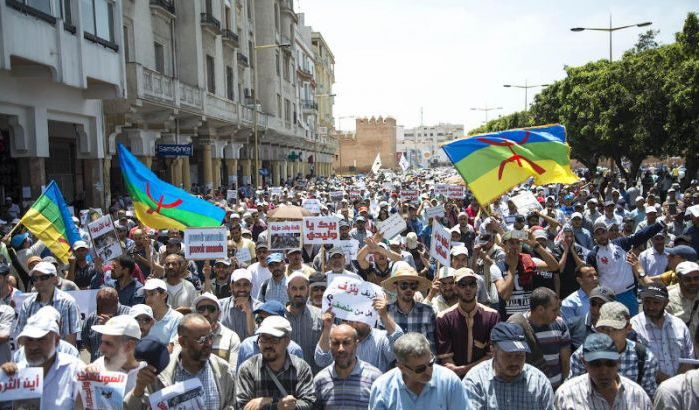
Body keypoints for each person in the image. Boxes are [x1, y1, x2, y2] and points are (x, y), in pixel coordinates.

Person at [125, 313, 236, 410]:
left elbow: (232, 405)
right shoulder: (159, 373)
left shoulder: (223, 370)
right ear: (183, 342)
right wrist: (139, 388)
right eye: (201, 340)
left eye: (210, 337)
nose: (209, 344)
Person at [568, 302, 659, 398]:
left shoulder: (644, 358)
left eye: (615, 329)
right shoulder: (582, 355)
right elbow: (572, 393)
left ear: (628, 328)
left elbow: (648, 397)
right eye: (604, 329)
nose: (609, 335)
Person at [463, 322, 554, 410]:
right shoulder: (475, 381)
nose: (514, 362)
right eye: (508, 355)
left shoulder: (539, 383)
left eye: (520, 355)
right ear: (493, 351)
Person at [0, 312, 82, 409]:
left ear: (56, 341)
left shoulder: (74, 370)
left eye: (41, 339)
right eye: (29, 340)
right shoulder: (16, 371)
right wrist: (3, 378)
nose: (33, 346)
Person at [368, 332, 470, 409]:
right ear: (401, 367)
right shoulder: (382, 388)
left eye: (431, 363)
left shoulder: (449, 381)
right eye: (420, 369)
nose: (428, 371)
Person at [235, 315, 316, 409]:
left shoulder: (301, 368)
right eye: (264, 338)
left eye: (274, 339)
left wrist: (273, 403)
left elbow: (309, 404)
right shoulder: (248, 368)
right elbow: (242, 406)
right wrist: (276, 403)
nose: (268, 344)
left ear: (287, 341)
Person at [586, 220, 663, 316]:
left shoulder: (621, 244)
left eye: (603, 232)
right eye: (598, 234)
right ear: (594, 236)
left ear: (607, 233)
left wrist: (660, 225)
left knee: (633, 325)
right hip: (609, 298)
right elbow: (591, 279)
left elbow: (641, 235)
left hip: (628, 294)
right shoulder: (592, 255)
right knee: (614, 327)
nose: (601, 236)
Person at [554, 333, 652, 409]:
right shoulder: (566, 395)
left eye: (610, 363)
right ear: (584, 363)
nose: (604, 371)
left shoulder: (637, 395)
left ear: (618, 362)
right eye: (596, 364)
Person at [436, 267, 500, 377]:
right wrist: (458, 373)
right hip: (454, 378)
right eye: (462, 285)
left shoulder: (492, 316)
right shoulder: (444, 318)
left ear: (477, 287)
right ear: (455, 288)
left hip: (484, 377)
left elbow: (492, 356)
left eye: (472, 284)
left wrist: (464, 370)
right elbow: (446, 359)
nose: (468, 288)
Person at [315, 295, 404, 372]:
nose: (353, 323)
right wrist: (327, 329)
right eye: (349, 319)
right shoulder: (337, 337)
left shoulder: (381, 338)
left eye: (358, 318)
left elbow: (401, 350)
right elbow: (321, 361)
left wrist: (384, 316)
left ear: (369, 318)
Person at [507, 287, 571, 389]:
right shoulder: (517, 327)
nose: (558, 313)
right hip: (527, 392)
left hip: (555, 390)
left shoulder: (560, 325)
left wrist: (564, 386)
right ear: (540, 309)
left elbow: (565, 361)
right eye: (554, 310)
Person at [631, 283, 694, 382]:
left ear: (666, 303)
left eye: (656, 302)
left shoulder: (679, 325)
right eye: (647, 302)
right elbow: (639, 363)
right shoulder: (634, 326)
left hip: (681, 386)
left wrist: (677, 384)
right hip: (650, 388)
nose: (651, 307)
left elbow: (689, 359)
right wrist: (669, 384)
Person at [313, 323, 383, 409]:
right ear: (330, 345)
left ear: (356, 344)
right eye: (336, 343)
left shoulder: (374, 378)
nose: (341, 349)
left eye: (346, 343)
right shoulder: (321, 380)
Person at [494, 230, 559, 318]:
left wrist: (536, 246)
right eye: (511, 243)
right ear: (503, 246)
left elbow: (554, 267)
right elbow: (505, 295)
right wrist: (512, 268)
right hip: (508, 319)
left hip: (530, 318)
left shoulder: (528, 261)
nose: (515, 246)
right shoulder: (496, 267)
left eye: (518, 243)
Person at [13, 261, 80, 346]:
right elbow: (21, 338)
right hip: (33, 356)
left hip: (60, 356)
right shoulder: (27, 304)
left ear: (55, 279)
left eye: (43, 277)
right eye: (35, 279)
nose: (38, 282)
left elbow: (70, 341)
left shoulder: (67, 303)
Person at [236, 300, 304, 369]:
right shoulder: (246, 346)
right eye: (259, 319)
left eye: (267, 319)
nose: (262, 323)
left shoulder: (293, 350)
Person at [87, 315, 146, 393]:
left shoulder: (148, 373)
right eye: (102, 342)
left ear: (129, 346)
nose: (101, 349)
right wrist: (86, 382)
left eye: (108, 343)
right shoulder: (97, 368)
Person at [382, 266, 436, 351]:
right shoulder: (385, 312)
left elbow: (432, 347)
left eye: (413, 285)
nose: (409, 289)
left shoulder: (427, 312)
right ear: (396, 286)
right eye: (404, 285)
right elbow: (381, 346)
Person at [285, 272, 323, 374]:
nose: (298, 293)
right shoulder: (279, 318)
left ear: (308, 291)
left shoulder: (320, 317)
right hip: (287, 380)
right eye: (294, 289)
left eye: (302, 288)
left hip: (314, 379)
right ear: (287, 290)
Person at [81, 287, 132, 362]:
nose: (106, 313)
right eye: (103, 308)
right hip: (97, 369)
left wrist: (112, 328)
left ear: (117, 300)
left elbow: (132, 343)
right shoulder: (91, 318)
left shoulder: (129, 315)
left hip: (120, 369)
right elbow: (87, 343)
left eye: (109, 308)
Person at [193, 292, 241, 369]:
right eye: (201, 309)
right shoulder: (187, 334)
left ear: (219, 314)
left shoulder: (231, 337)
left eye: (211, 309)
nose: (206, 313)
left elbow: (233, 370)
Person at [568, 285, 616, 350]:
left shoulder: (618, 329)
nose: (596, 309)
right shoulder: (573, 325)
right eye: (593, 303)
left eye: (602, 305)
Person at [666, 261, 699, 353]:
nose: (693, 282)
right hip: (679, 353)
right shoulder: (667, 299)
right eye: (688, 279)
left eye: (696, 278)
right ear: (678, 279)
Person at [141, 278, 183, 349]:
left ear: (164, 295)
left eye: (152, 294)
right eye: (146, 295)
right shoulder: (141, 318)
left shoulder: (177, 318)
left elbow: (173, 348)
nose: (148, 299)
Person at [221, 268, 259, 339]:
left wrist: (249, 312)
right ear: (231, 286)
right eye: (238, 284)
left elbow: (256, 336)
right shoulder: (220, 306)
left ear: (251, 286)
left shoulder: (260, 308)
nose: (242, 288)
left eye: (245, 284)